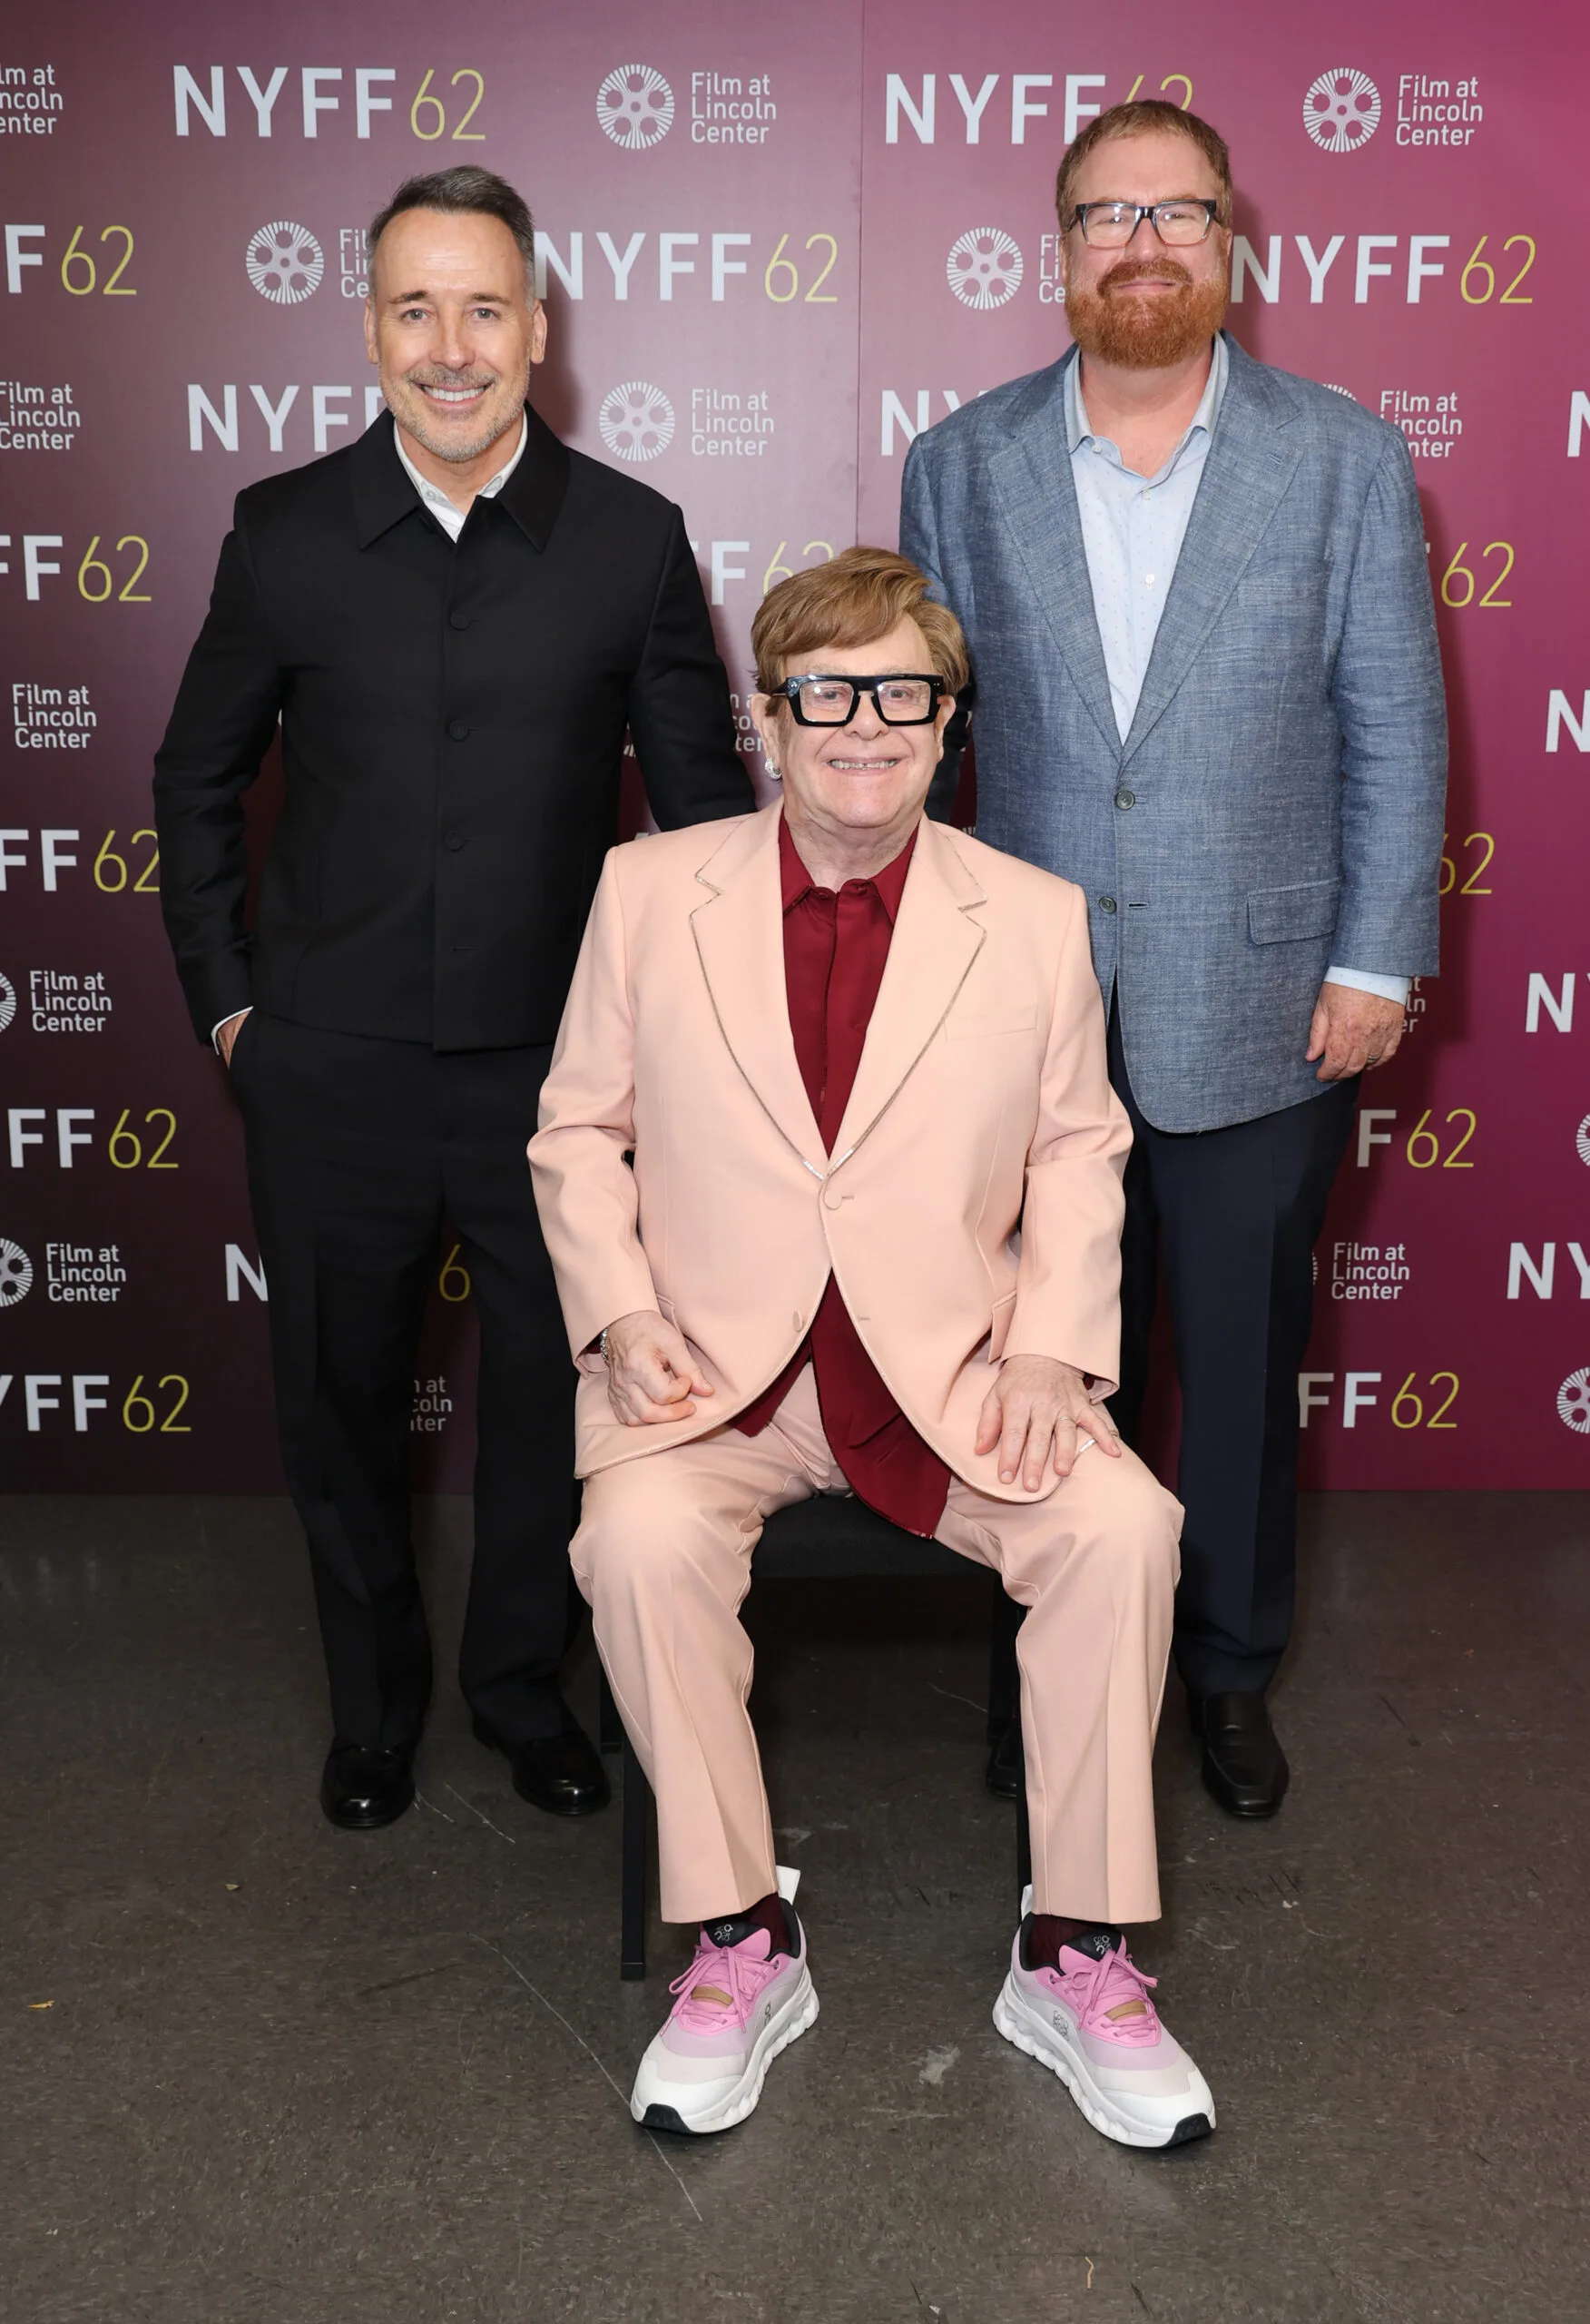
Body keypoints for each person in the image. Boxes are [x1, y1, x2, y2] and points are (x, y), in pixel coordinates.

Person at [530, 547, 1212, 2151]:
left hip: (960, 1374)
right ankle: (738, 1942)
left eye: (903, 693)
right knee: (631, 1542)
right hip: (713, 1376)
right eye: (826, 692)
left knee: (1126, 1526)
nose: (865, 725)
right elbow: (576, 1134)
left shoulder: (1035, 920)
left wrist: (1055, 1351)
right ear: (771, 717)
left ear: (945, 722)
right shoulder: (650, 890)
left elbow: (1076, 1150)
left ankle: (1080, 1952)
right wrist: (621, 1318)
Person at [153, 167, 752, 1833]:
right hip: (326, 1065)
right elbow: (192, 781)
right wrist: (231, 1015)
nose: (451, 345)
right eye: (415, 308)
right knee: (338, 1405)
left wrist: (696, 1055)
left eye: (484, 307)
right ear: (369, 332)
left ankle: (516, 1693)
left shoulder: (630, 537)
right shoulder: (280, 533)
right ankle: (373, 1711)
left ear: (538, 332)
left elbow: (706, 821)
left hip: (561, 1079)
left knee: (555, 1411)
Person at [900, 102, 1446, 1820]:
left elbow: (1393, 726)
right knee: (1036, 1367)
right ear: (1057, 251)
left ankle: (1223, 1670)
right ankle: (1043, 1673)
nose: (1141, 243)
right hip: (1021, 1023)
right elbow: (916, 745)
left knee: (1233, 1362)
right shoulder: (961, 463)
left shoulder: (1344, 459)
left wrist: (1376, 955)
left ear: (1232, 246)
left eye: (1177, 212)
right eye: (1103, 216)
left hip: (1264, 1001)